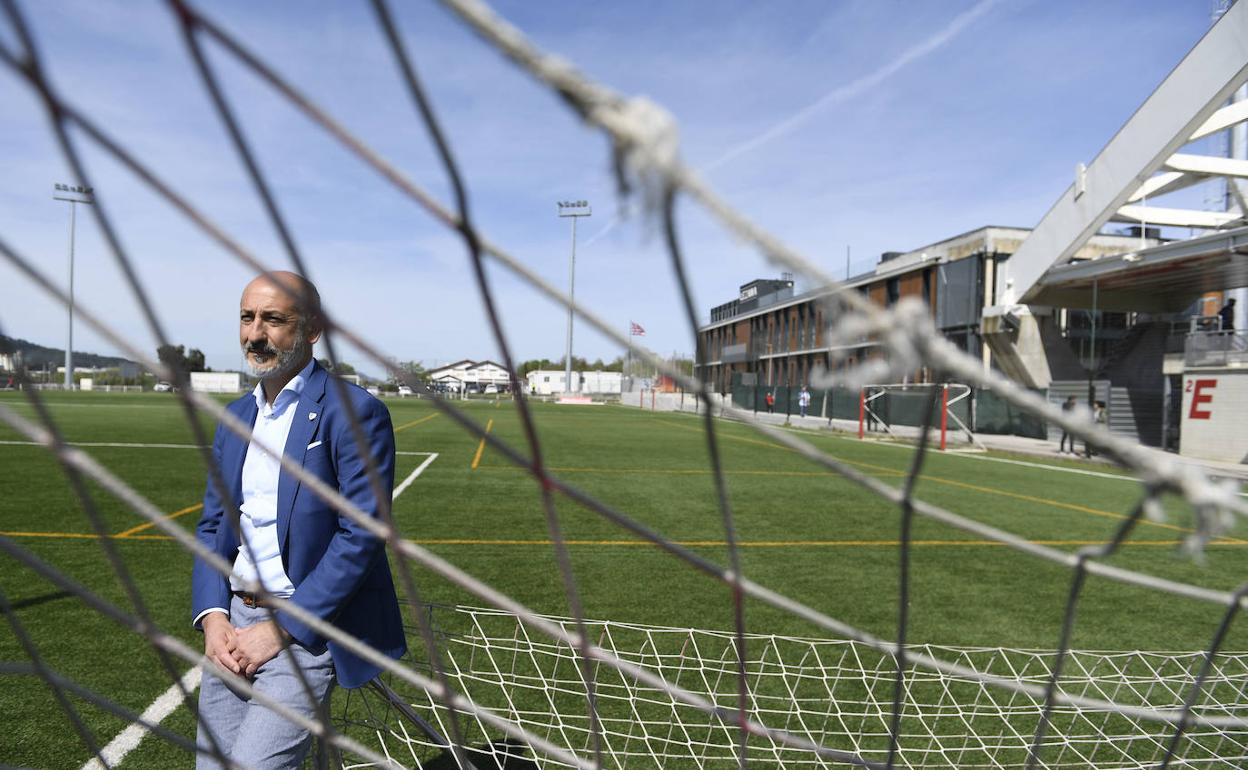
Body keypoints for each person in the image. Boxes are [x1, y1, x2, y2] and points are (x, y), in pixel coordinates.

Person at [191, 272, 406, 769]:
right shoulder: (235, 417)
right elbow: (212, 526)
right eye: (247, 318)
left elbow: (362, 534)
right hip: (231, 627)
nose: (256, 333)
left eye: (274, 319)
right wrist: (213, 617)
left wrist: (281, 629)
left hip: (303, 630)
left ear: (311, 330)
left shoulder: (354, 412)